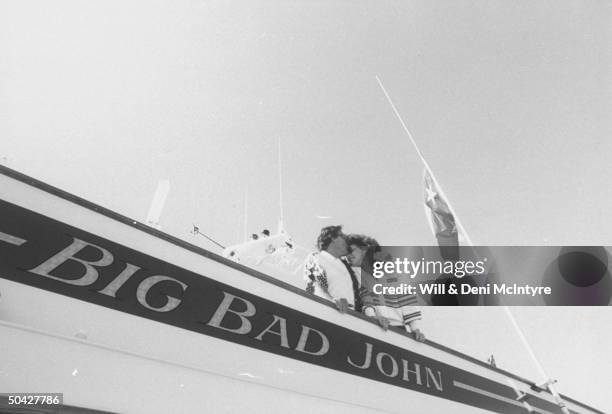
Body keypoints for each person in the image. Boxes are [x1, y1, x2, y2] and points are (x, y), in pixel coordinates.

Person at [346, 234, 426, 342]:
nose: (347, 255)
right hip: (371, 324)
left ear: (365, 250)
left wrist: (416, 329)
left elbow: (407, 302)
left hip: (398, 329)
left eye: (351, 251)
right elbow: (366, 300)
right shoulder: (353, 274)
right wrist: (373, 317)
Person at [304, 225, 355, 313]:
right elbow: (314, 285)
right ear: (333, 238)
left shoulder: (346, 266)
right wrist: (333, 301)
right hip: (329, 314)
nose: (347, 241)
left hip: (351, 318)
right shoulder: (317, 257)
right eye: (343, 237)